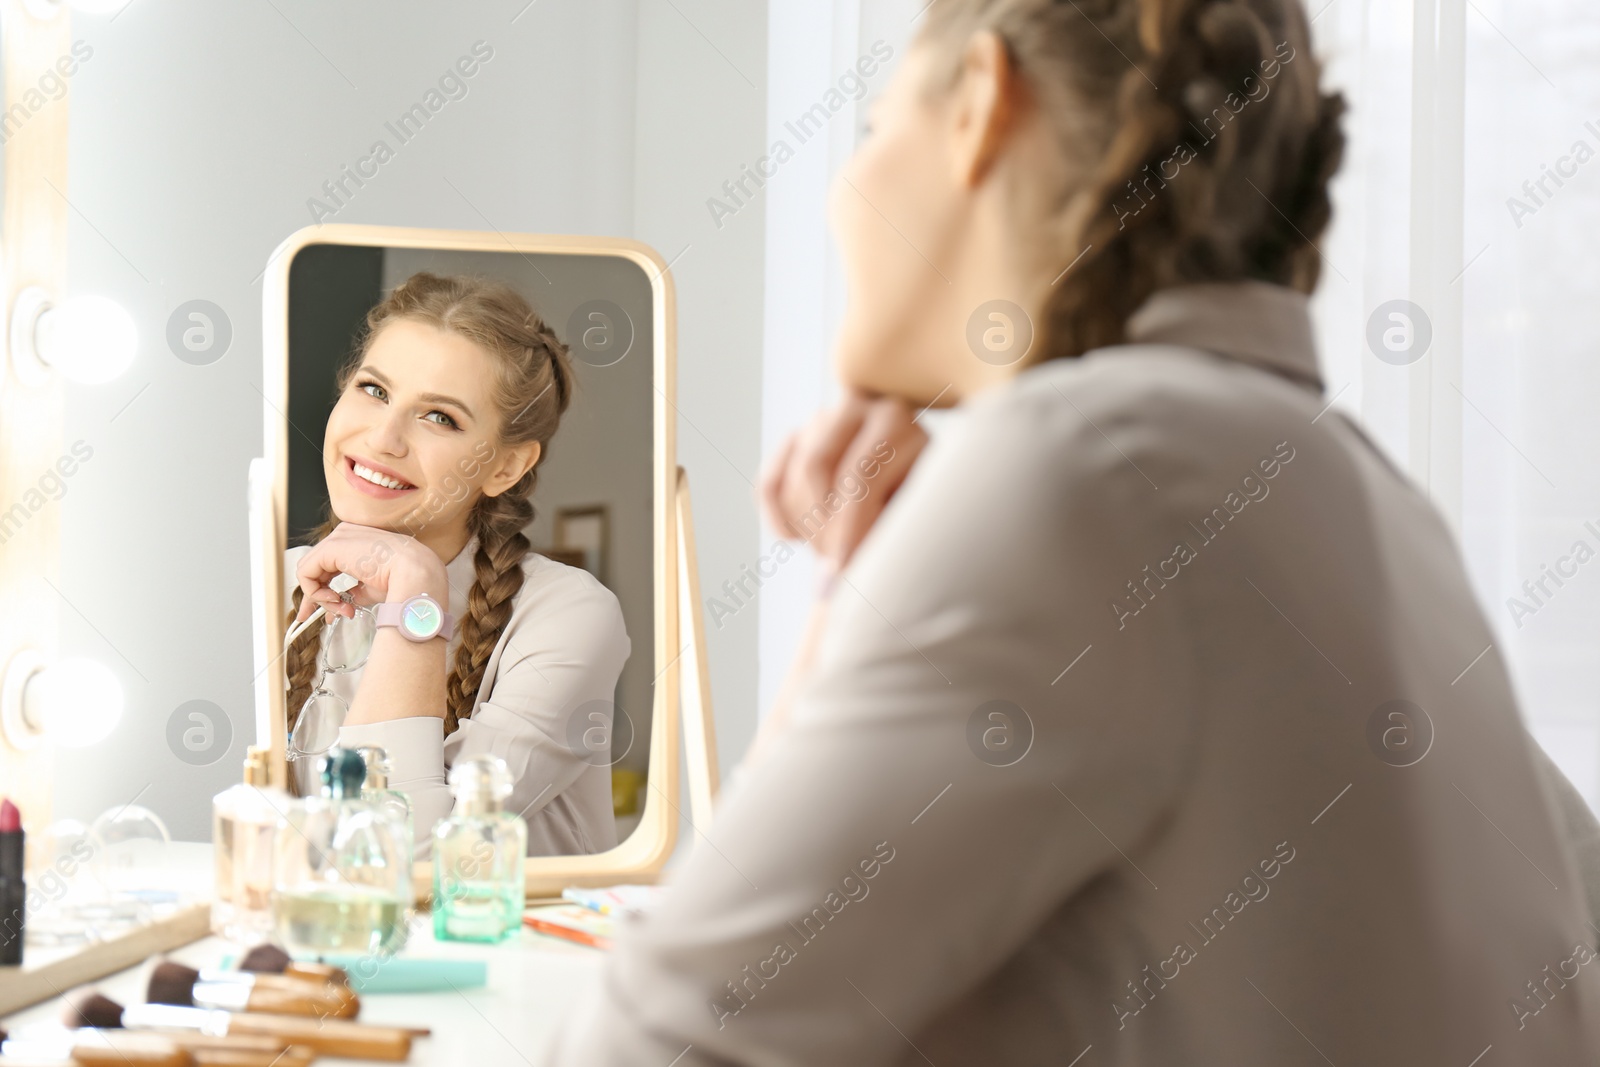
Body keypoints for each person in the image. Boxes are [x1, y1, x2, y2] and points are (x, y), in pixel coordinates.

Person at [541, 0, 1600, 1062]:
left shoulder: (1088, 462)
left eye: (871, 129)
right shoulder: (1369, 498)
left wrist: (841, 616)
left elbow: (657, 1041)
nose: (842, 193)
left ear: (979, 105)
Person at [284, 271, 628, 857]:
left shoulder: (571, 615)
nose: (383, 438)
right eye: (374, 390)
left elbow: (406, 860)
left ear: (505, 466)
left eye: (439, 417)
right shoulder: (281, 581)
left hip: (520, 949)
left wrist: (415, 597)